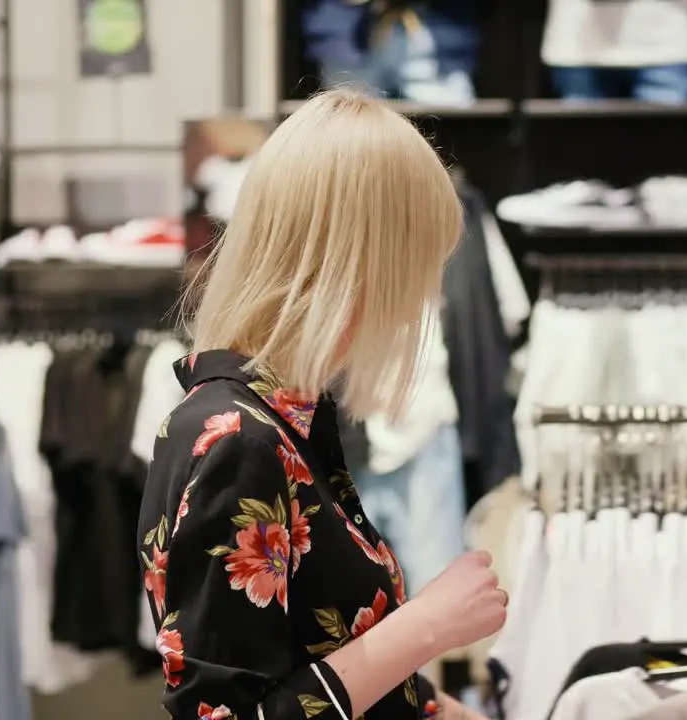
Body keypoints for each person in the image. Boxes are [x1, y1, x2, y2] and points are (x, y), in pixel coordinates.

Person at [137, 89, 509, 720]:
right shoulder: (238, 438)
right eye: (417, 267)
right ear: (364, 263)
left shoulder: (290, 425)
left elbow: (324, 659)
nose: (429, 299)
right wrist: (424, 627)